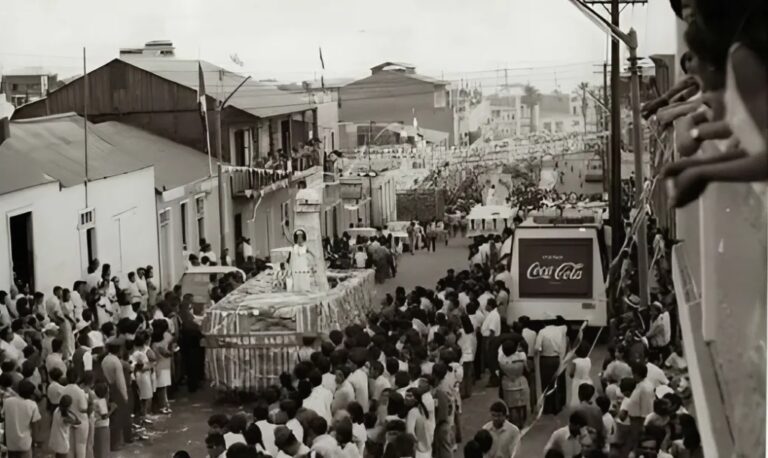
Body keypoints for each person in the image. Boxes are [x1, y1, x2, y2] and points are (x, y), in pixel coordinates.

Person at [536, 317, 568, 415]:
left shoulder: (542, 332)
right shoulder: (559, 330)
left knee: (546, 384)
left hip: (545, 359)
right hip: (556, 358)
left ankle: (547, 407)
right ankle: (556, 406)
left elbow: (537, 347)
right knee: (555, 383)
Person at [3, 379, 41, 458]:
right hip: (25, 444)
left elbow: (5, 419)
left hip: (11, 443)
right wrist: (35, 442)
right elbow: (35, 426)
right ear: (31, 394)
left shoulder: (8, 402)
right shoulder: (32, 405)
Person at [497, 339, 529, 428]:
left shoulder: (502, 360)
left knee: (511, 406)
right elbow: (527, 369)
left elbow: (500, 372)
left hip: (508, 384)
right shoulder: (521, 356)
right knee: (521, 404)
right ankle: (522, 422)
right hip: (521, 382)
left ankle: (514, 424)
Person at [568, 344, 593, 409]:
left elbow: (571, 373)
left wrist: (573, 376)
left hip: (577, 381)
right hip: (587, 380)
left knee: (576, 397)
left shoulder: (575, 362)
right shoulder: (588, 360)